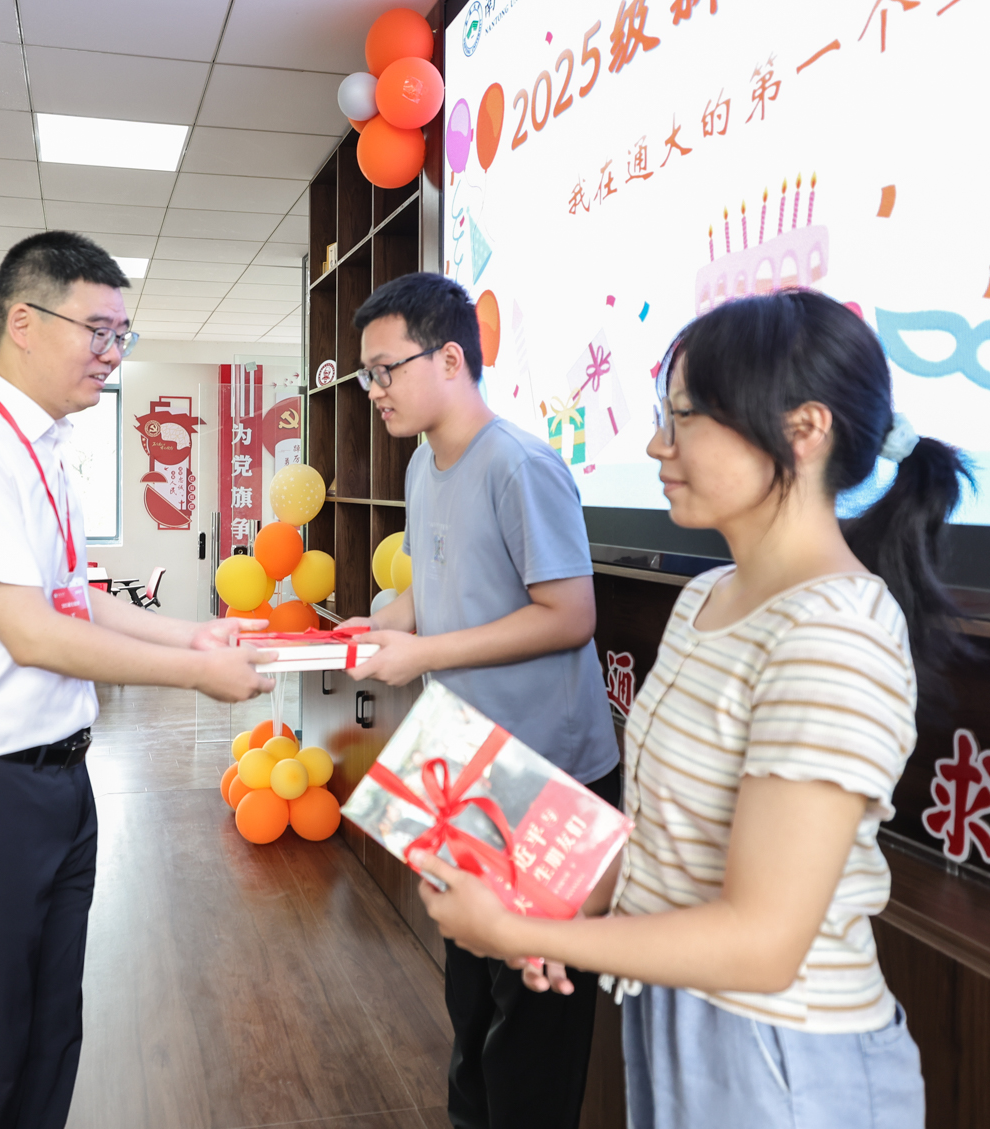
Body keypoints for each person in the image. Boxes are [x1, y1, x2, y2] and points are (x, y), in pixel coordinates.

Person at [413, 289, 971, 1129]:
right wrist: (547, 903)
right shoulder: (706, 596)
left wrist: (533, 934)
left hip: (790, 1060)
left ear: (804, 430)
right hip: (679, 1018)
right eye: (659, 416)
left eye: (684, 419)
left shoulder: (834, 630)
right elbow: (667, 838)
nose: (655, 444)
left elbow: (763, 941)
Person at [0, 229, 277, 1129]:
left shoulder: (46, 443)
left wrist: (192, 632)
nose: (112, 353)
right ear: (23, 322)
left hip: (61, 782)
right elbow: (32, 633)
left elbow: (74, 597)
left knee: (49, 1038)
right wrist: (196, 676)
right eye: (97, 331)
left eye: (121, 335)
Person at [343, 272, 619, 1129]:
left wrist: (422, 651)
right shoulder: (424, 463)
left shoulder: (520, 464)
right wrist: (372, 625)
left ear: (451, 358)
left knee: (532, 1024)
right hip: (463, 760)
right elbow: (433, 590)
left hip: (546, 771)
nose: (375, 390)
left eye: (385, 369)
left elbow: (569, 615)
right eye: (368, 374)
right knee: (470, 999)